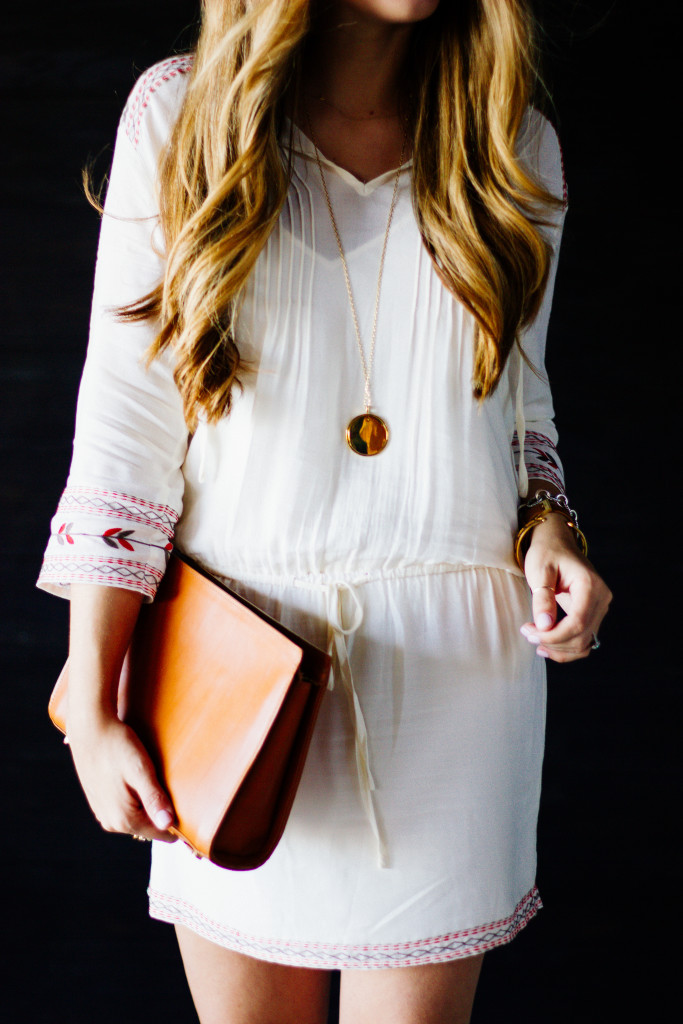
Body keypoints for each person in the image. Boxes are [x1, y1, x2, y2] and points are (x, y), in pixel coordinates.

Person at [37, 1, 612, 1021]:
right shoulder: (182, 118)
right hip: (235, 670)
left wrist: (548, 526)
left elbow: (521, 402)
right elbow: (125, 426)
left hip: (455, 679)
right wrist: (91, 693)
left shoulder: (508, 138)